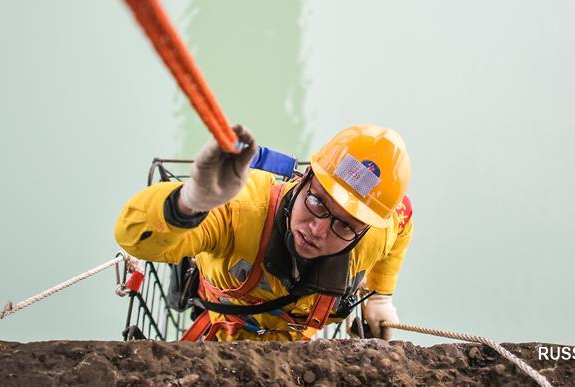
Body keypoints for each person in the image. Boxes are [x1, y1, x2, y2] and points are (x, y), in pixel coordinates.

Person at [115, 124, 413, 341]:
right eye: (316, 201)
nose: (318, 229)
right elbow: (132, 238)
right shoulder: (239, 211)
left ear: (364, 230)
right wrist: (188, 203)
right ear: (304, 178)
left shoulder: (375, 236)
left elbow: (403, 221)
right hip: (222, 335)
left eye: (345, 224)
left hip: (295, 348)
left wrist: (381, 296)